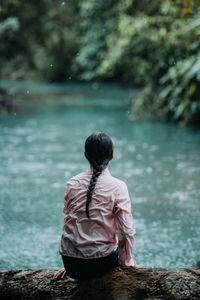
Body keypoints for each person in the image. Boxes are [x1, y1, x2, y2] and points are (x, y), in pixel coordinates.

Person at [55, 132, 137, 280]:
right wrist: (126, 262)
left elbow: (70, 219)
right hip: (100, 265)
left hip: (70, 263)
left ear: (85, 155)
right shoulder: (119, 186)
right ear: (112, 155)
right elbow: (126, 232)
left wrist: (73, 262)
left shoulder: (72, 183)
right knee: (132, 262)